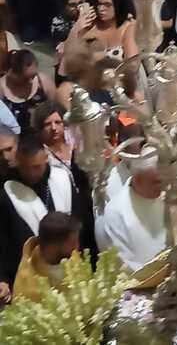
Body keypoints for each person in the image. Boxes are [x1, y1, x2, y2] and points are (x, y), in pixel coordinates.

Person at [0, 134, 94, 293]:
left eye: (36, 167)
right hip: (34, 278)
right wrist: (2, 278)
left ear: (45, 157)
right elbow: (2, 240)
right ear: (18, 162)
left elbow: (81, 218)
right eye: (25, 168)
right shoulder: (7, 193)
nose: (31, 173)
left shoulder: (61, 178)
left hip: (72, 265)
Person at [99, 146, 177, 272]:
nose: (165, 186)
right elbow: (126, 265)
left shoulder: (175, 192)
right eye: (157, 182)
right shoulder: (115, 212)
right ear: (138, 179)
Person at [13, 211, 81, 302]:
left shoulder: (73, 257)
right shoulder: (26, 285)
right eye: (72, 243)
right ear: (52, 247)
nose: (77, 246)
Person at [0, 50, 55, 132]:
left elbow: (56, 110)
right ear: (10, 73)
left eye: (33, 76)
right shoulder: (1, 90)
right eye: (25, 78)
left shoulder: (43, 82)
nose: (31, 81)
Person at [31, 101, 73, 170]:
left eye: (57, 122)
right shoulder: (39, 153)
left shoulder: (75, 138)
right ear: (40, 128)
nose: (53, 128)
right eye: (47, 124)